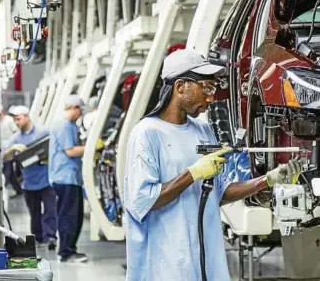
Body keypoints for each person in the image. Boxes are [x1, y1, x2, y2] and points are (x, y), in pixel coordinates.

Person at [123, 49, 303, 281]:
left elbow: (220, 193)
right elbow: (141, 200)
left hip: (204, 261)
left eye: (213, 89)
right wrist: (193, 173)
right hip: (163, 264)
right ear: (180, 87)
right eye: (206, 87)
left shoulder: (203, 131)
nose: (211, 97)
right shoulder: (146, 134)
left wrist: (267, 179)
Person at [5, 105, 57, 250]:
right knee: (34, 214)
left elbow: (53, 149)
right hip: (29, 182)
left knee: (50, 211)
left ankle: (51, 237)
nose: (16, 123)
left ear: (27, 117)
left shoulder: (43, 132)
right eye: (15, 120)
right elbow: (6, 157)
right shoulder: (15, 139)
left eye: (18, 119)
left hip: (46, 180)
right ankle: (38, 238)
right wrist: (13, 151)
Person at [48, 95, 87, 263]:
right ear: (74, 108)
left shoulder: (66, 124)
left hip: (66, 177)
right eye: (80, 111)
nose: (80, 115)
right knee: (70, 216)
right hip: (66, 177)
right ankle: (67, 252)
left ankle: (67, 250)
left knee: (72, 215)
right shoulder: (64, 125)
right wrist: (92, 147)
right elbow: (70, 151)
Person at [0, 104, 22, 197]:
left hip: (10, 148)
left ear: (2, 112)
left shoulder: (9, 120)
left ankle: (2, 187)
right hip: (1, 149)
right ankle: (19, 190)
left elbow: (16, 132)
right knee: (10, 172)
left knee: (7, 170)